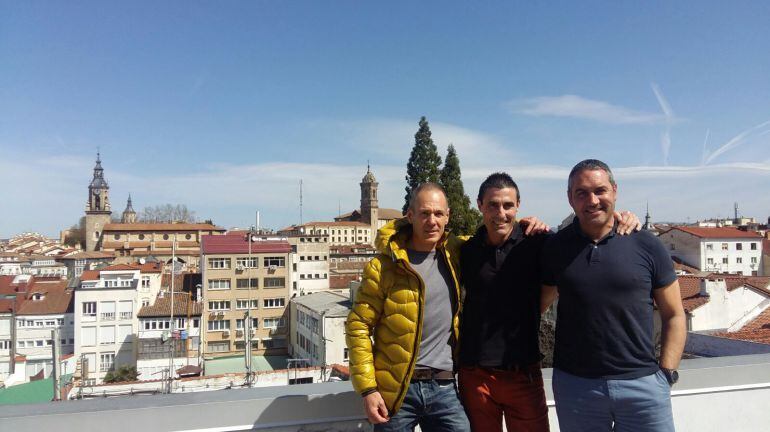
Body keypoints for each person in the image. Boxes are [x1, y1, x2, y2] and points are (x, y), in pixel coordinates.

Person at [458, 172, 641, 432]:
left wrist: (620, 217)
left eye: (508, 205)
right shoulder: (465, 251)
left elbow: (584, 234)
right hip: (475, 375)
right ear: (479, 206)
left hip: (523, 373)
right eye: (493, 205)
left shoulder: (538, 242)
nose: (501, 213)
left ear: (518, 206)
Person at [541, 159, 686, 432]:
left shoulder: (647, 244)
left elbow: (674, 313)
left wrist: (666, 373)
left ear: (615, 191)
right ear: (570, 199)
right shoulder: (556, 247)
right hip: (577, 387)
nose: (592, 200)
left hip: (643, 386)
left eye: (600, 190)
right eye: (581, 193)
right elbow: (538, 304)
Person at [345, 182, 470, 431]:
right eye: (424, 213)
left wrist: (525, 226)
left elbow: (497, 237)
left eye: (438, 213)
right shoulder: (383, 267)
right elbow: (358, 325)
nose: (432, 220)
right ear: (410, 216)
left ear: (448, 217)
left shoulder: (459, 254)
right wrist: (368, 389)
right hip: (396, 393)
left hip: (445, 387)